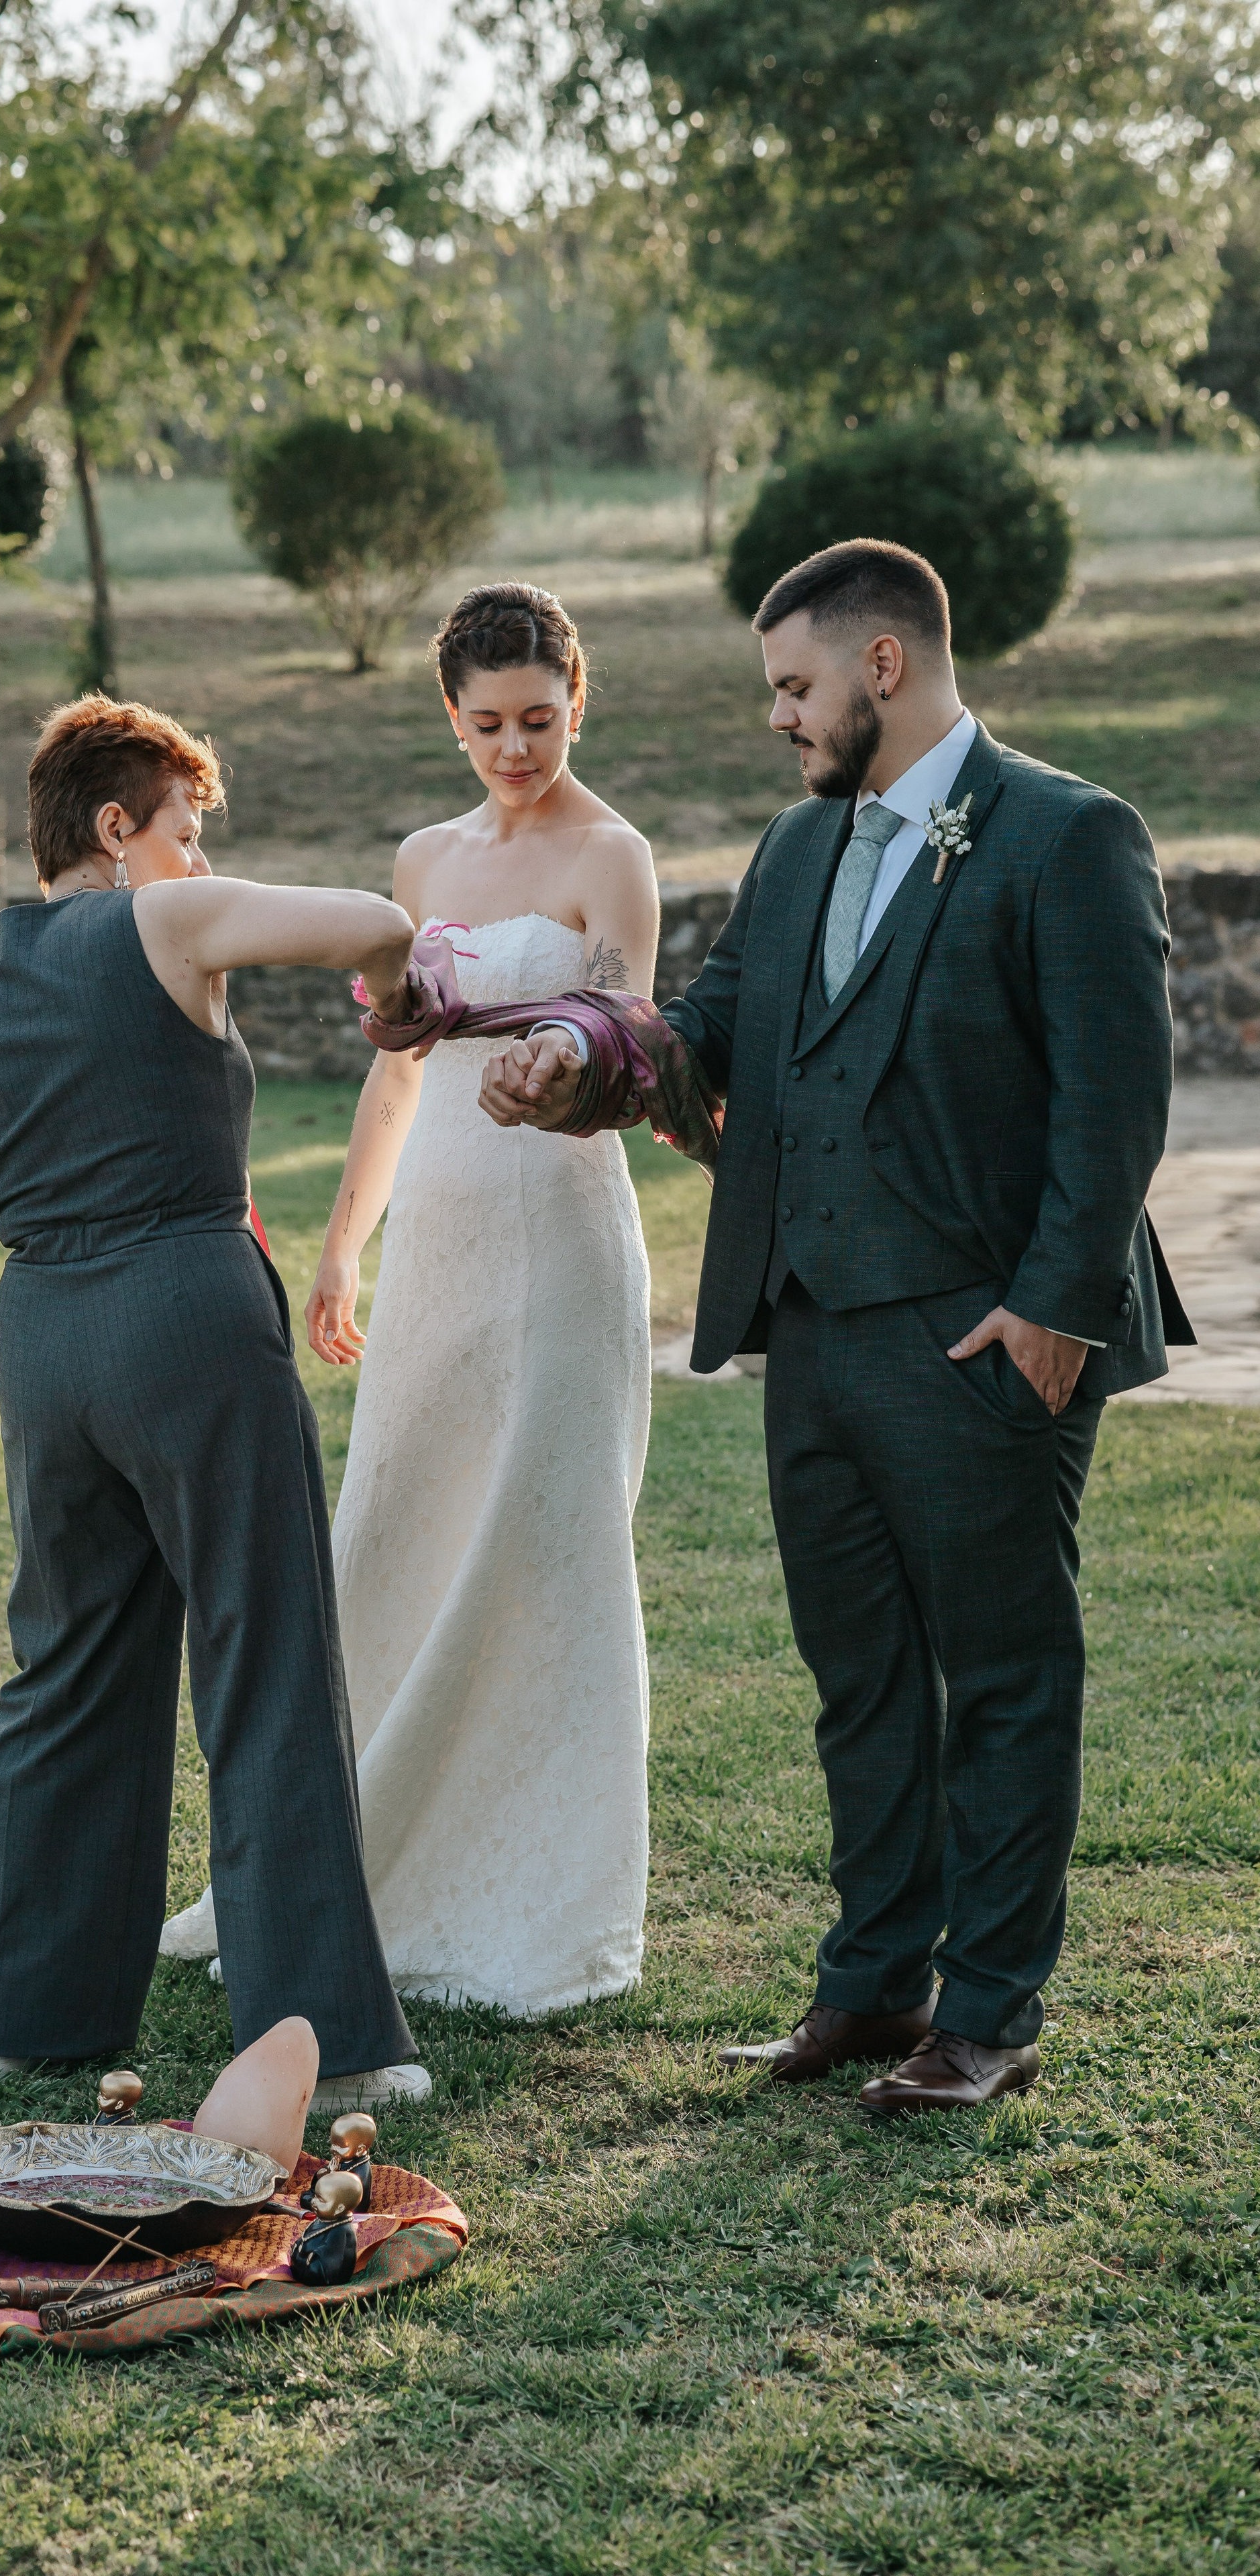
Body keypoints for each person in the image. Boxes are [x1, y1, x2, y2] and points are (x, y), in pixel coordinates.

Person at [482, 541, 1192, 2112]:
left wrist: (1052, 1311)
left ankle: (986, 2015)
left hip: (984, 1338)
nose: (778, 717)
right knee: (858, 1678)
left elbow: (1113, 1095)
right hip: (807, 1329)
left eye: (793, 686)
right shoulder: (799, 845)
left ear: (883, 664)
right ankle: (871, 1993)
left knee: (1000, 1678)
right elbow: (710, 1028)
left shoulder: (1066, 834)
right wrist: (577, 1057)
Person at [0, 694, 428, 2114]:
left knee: (64, 1665)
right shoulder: (165, 921)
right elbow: (374, 918)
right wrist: (398, 995)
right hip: (188, 1315)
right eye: (187, 830)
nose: (198, 859)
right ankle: (327, 2042)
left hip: (45, 1341)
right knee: (265, 1660)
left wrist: (48, 1205)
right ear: (116, 827)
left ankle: (10, 2022)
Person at [162, 584, 660, 2013]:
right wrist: (342, 1247)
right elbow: (395, 1072)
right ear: (450, 716)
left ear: (577, 701)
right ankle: (351, 1864)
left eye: (540, 720)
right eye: (488, 724)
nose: (516, 749)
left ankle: (536, 1901)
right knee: (394, 1526)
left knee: (550, 1545)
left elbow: (627, 1037)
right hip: (439, 1224)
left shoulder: (613, 856)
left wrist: (566, 1064)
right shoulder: (422, 861)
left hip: (559, 1228)